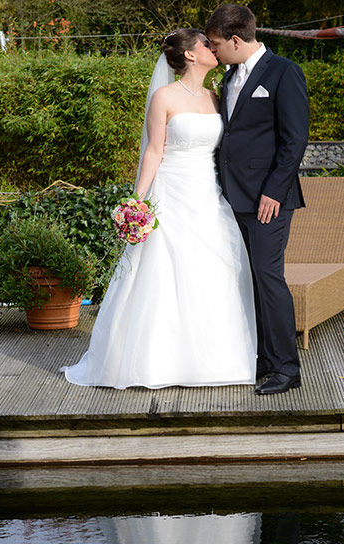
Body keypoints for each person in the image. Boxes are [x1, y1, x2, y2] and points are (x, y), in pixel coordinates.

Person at [63, 29, 256, 390]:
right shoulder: (164, 97)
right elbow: (154, 150)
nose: (213, 49)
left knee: (213, 272)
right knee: (161, 274)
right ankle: (156, 363)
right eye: (205, 44)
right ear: (190, 54)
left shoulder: (216, 97)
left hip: (208, 195)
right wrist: (137, 201)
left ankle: (216, 362)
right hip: (171, 192)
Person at [206, 5, 309, 394]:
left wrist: (273, 191)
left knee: (268, 277)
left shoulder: (284, 72)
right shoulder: (229, 76)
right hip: (232, 197)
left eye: (216, 44)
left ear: (235, 40)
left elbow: (294, 140)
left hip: (268, 199)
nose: (213, 51)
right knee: (248, 279)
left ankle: (287, 368)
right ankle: (263, 357)